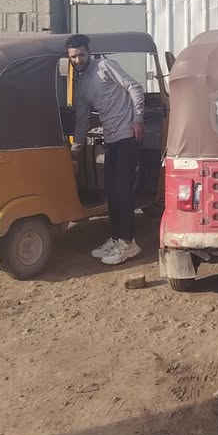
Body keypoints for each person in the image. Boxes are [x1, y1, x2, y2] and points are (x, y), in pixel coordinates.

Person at [67, 34, 145, 265]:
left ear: (89, 52)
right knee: (110, 191)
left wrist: (138, 119)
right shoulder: (81, 84)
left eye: (81, 55)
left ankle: (129, 243)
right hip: (111, 139)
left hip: (127, 136)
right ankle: (117, 238)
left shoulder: (105, 66)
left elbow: (134, 87)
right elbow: (82, 120)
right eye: (73, 57)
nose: (78, 60)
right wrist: (76, 149)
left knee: (122, 191)